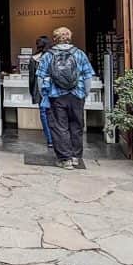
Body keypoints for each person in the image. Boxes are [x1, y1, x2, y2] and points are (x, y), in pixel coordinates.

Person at [36, 27, 95, 169]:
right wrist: (85, 92)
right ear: (69, 37)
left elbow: (40, 77)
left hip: (56, 96)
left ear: (55, 39)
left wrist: (43, 93)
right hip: (77, 95)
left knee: (59, 127)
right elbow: (87, 76)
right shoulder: (79, 54)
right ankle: (75, 157)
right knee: (76, 125)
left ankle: (65, 159)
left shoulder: (48, 55)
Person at [28, 35, 54, 148]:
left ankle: (50, 140)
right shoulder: (54, 56)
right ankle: (58, 137)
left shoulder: (34, 58)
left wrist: (32, 92)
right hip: (54, 89)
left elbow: (32, 78)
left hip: (40, 90)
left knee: (43, 113)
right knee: (56, 113)